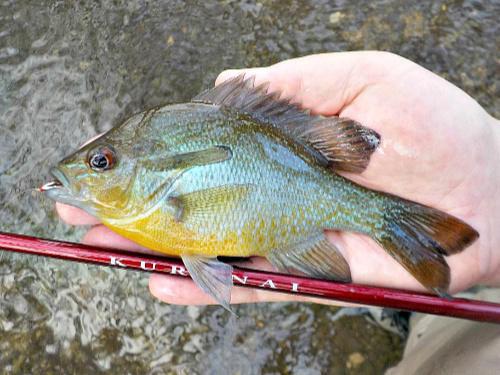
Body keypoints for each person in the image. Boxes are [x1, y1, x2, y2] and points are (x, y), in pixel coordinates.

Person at [56, 51, 500, 373]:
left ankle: (421, 303)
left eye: (102, 162)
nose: (93, 169)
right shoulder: (146, 201)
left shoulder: (153, 199)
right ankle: (433, 302)